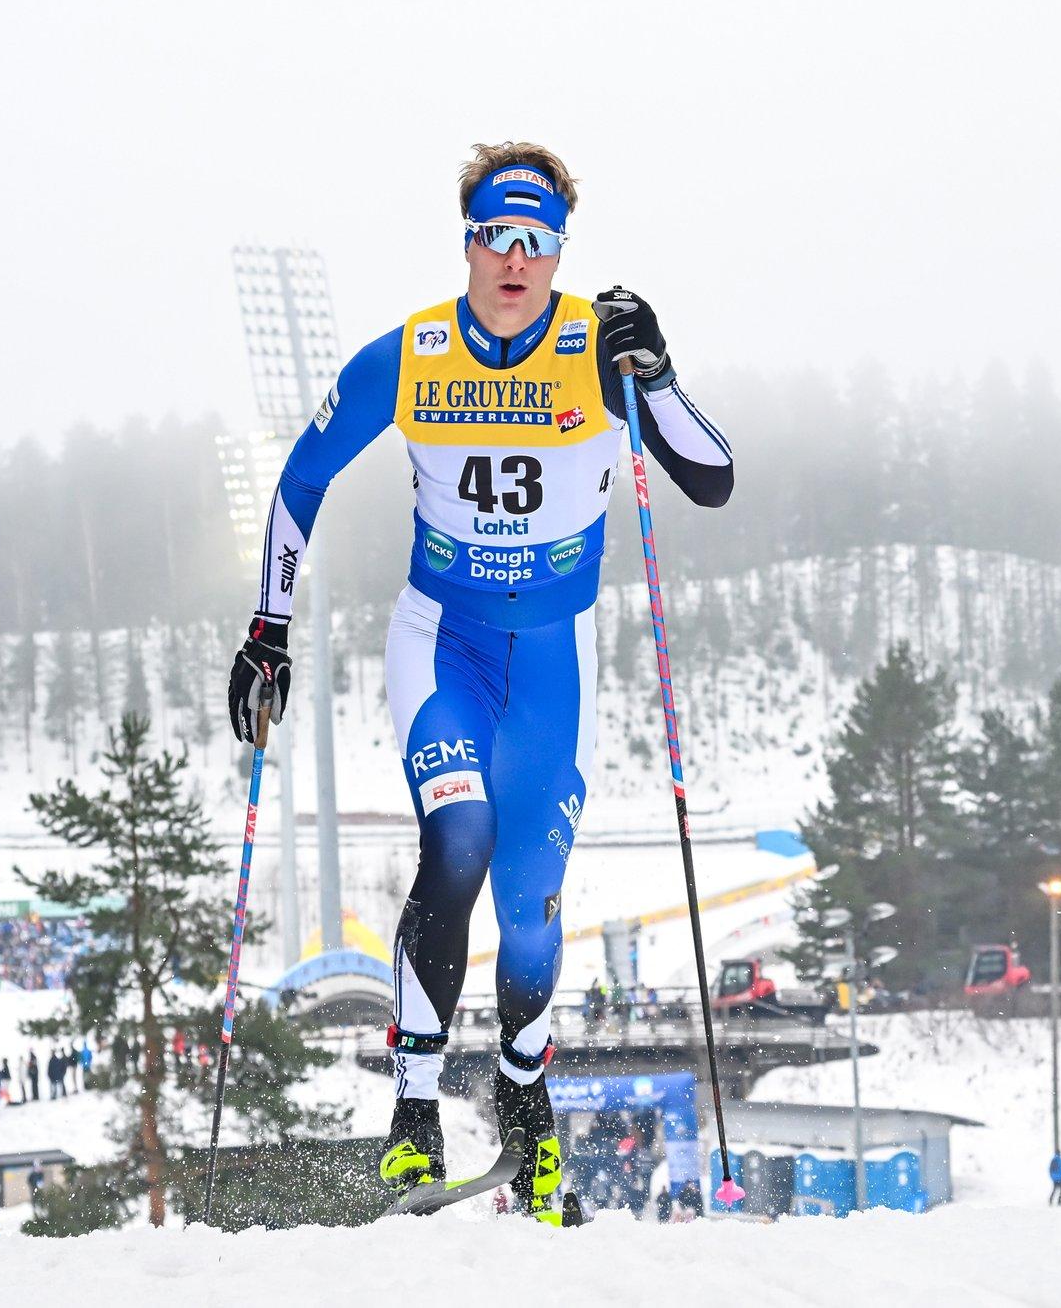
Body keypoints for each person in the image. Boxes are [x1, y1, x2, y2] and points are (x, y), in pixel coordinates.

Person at [227, 142, 732, 1228]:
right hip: (439, 643)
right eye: (495, 237)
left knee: (532, 912)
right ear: (467, 244)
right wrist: (267, 626)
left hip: (552, 664)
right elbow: (301, 477)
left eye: (537, 241)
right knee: (454, 839)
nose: (514, 258)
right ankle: (411, 1105)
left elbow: (712, 476)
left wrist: (658, 372)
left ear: (559, 254)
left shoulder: (596, 350)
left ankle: (522, 1089)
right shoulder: (407, 355)